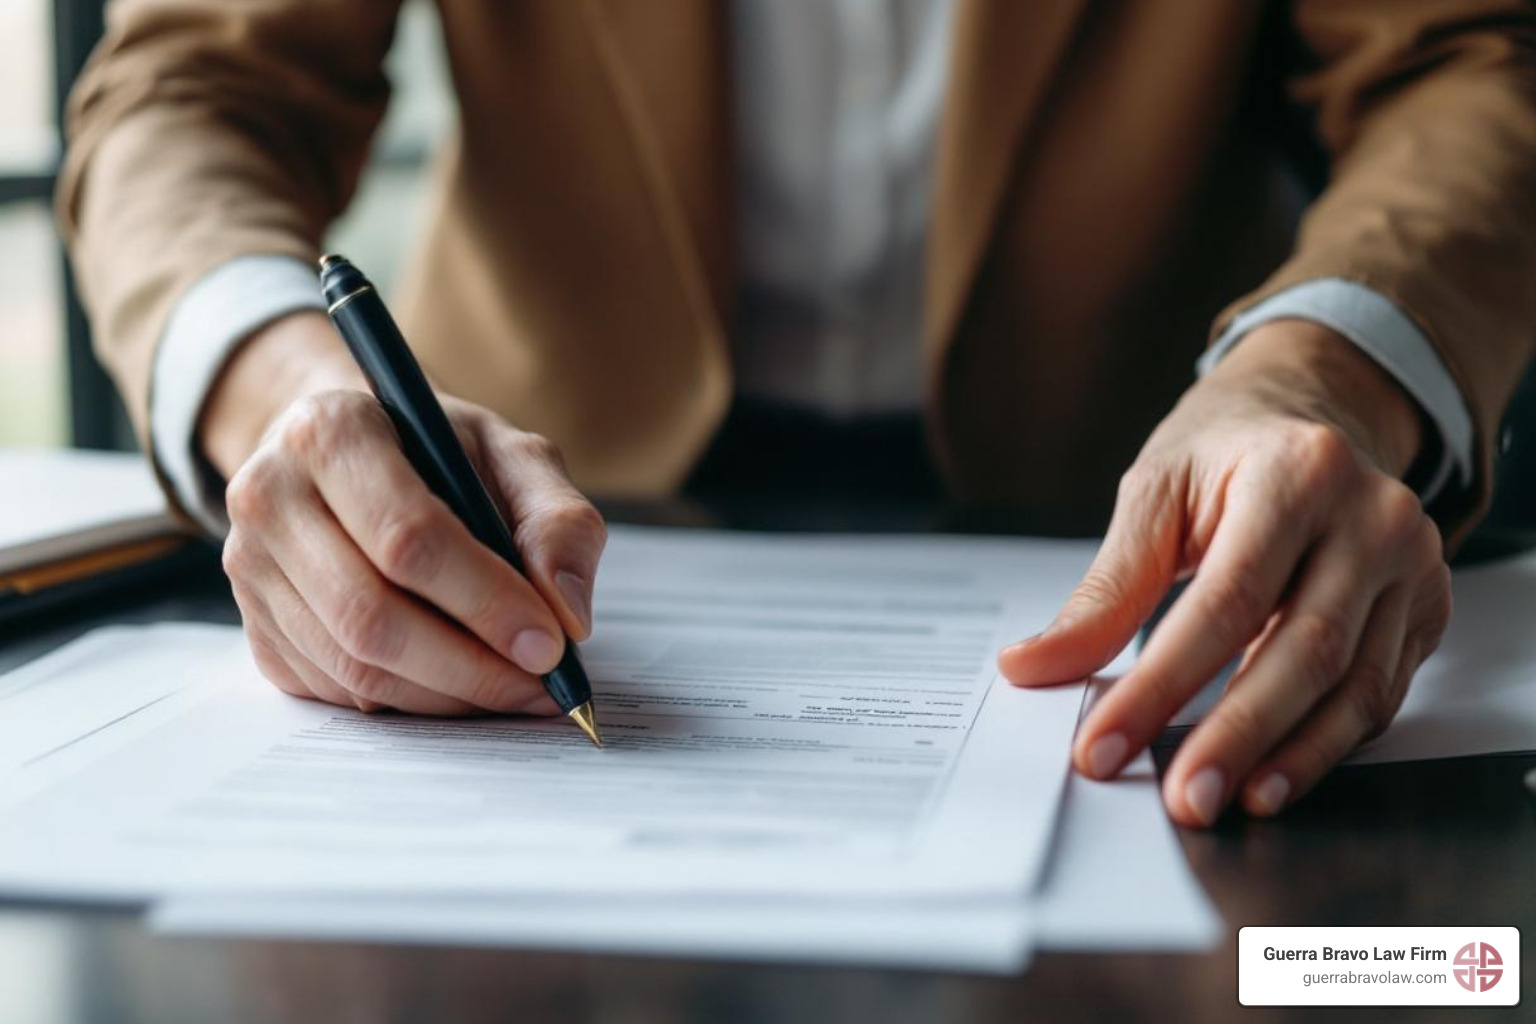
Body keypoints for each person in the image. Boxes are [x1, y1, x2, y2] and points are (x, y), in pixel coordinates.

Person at [59, 0, 1536, 827]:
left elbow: (1466, 62)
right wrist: (288, 385)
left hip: (1146, 510)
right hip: (537, 509)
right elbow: (189, 88)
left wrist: (1320, 369)